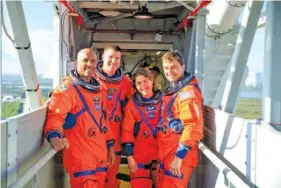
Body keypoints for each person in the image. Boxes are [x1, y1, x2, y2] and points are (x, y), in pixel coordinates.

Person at [44, 48, 116, 188]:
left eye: (93, 61)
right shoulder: (67, 89)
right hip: (81, 158)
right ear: (77, 63)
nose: (89, 64)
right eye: (85, 60)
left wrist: (110, 146)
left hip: (100, 156)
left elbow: (103, 122)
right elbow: (56, 116)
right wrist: (54, 136)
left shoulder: (99, 90)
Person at [157, 51, 204, 188]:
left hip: (178, 156)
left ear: (183, 67)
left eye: (174, 67)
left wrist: (179, 157)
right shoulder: (175, 91)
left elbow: (192, 126)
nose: (169, 71)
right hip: (168, 154)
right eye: (166, 68)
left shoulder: (187, 92)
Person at [95, 44, 134, 188]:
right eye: (110, 57)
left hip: (115, 137)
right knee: (95, 178)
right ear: (103, 57)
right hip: (95, 138)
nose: (113, 61)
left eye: (117, 58)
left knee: (112, 179)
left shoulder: (125, 83)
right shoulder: (91, 78)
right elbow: (71, 85)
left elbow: (136, 103)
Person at [121, 68, 162, 188]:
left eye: (146, 81)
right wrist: (129, 157)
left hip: (162, 157)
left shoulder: (164, 102)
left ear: (152, 81)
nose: (143, 85)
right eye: (139, 83)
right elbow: (127, 132)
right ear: (135, 86)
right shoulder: (132, 106)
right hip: (140, 158)